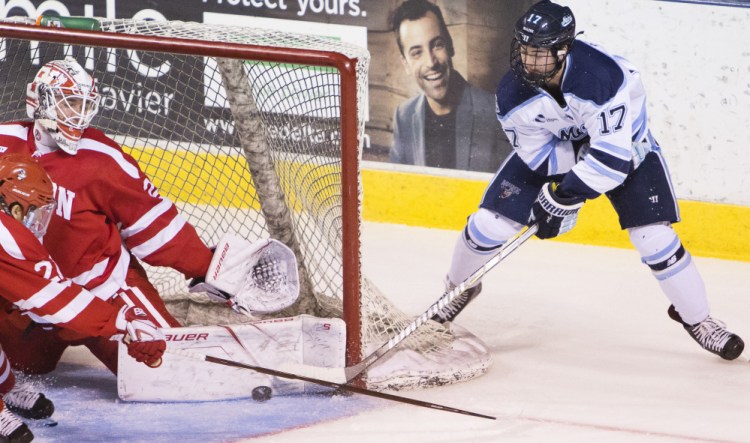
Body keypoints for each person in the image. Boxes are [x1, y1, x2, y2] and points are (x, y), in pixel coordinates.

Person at [434, 0, 744, 361]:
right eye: (524, 49)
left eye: (539, 53)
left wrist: (565, 196)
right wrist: (561, 187)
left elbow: (612, 162)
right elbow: (537, 155)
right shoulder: (512, 94)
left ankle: (699, 319)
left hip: (628, 149)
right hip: (568, 152)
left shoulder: (600, 78)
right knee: (488, 225)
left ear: (563, 49)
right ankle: (458, 288)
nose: (528, 61)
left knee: (654, 238)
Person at [0, 57, 226, 376]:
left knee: (171, 372)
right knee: (18, 371)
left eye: (83, 106)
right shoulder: (4, 143)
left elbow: (156, 227)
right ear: (39, 101)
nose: (77, 117)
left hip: (105, 291)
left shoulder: (102, 158)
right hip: (37, 302)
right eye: (68, 104)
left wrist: (206, 267)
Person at [0, 154, 166, 442]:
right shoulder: (8, 237)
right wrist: (121, 321)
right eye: (35, 212)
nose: (40, 222)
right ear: (14, 209)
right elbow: (59, 304)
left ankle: (5, 387)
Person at [389, 0, 511, 173]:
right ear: (406, 64)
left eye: (437, 45)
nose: (431, 62)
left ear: (450, 45)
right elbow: (396, 187)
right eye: (417, 53)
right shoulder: (403, 116)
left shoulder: (496, 112)